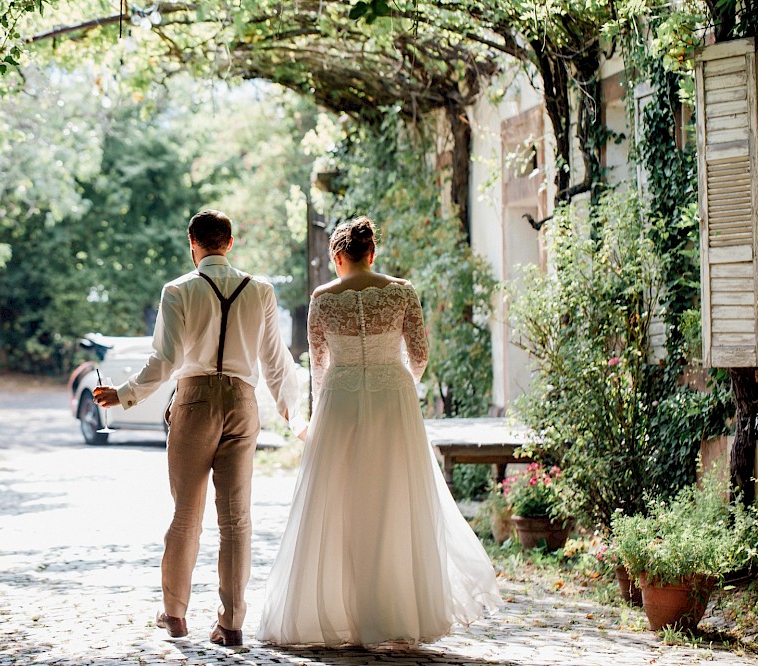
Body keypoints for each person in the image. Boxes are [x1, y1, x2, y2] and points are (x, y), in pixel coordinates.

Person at [257, 216, 500, 647]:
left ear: (337, 257)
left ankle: (341, 615)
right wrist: (396, 380)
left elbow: (319, 364)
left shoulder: (322, 298)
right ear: (372, 253)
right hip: (394, 402)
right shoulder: (402, 291)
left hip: (340, 402)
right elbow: (420, 355)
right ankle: (394, 614)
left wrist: (319, 412)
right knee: (394, 499)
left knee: (340, 502)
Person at [94, 209, 303, 647]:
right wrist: (292, 412)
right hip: (243, 404)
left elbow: (164, 360)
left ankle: (174, 614)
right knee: (236, 519)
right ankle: (231, 623)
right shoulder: (261, 290)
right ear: (230, 243)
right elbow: (275, 359)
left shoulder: (178, 290)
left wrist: (124, 394)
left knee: (186, 515)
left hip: (194, 401)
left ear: (193, 244)